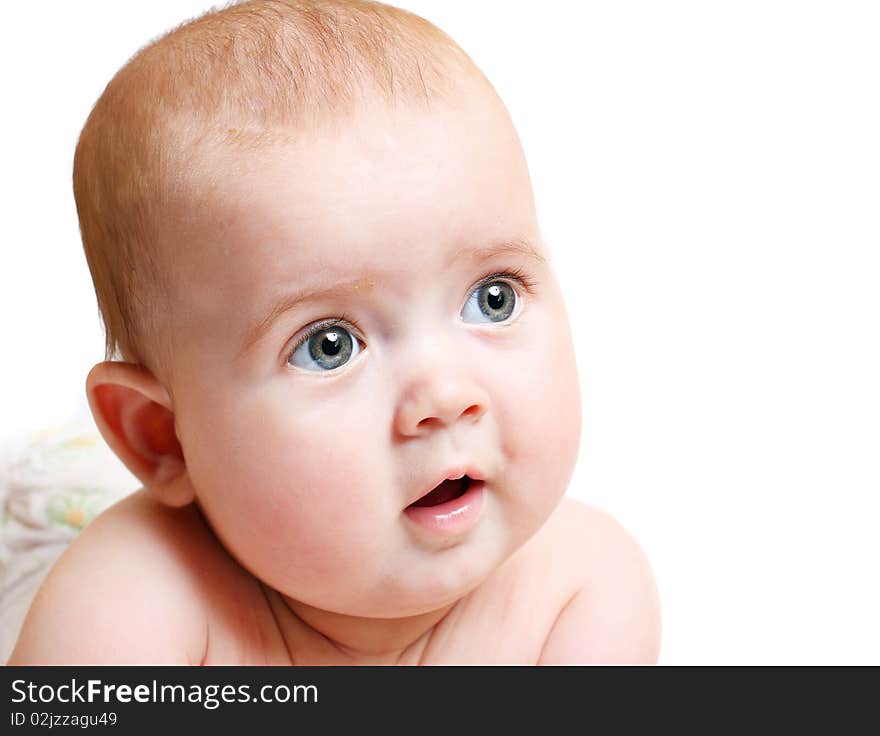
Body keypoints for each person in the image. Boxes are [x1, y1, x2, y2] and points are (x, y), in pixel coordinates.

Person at [8, 0, 660, 664]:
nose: (445, 397)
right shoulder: (127, 606)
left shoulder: (581, 592)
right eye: (329, 346)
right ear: (163, 438)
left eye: (492, 300)